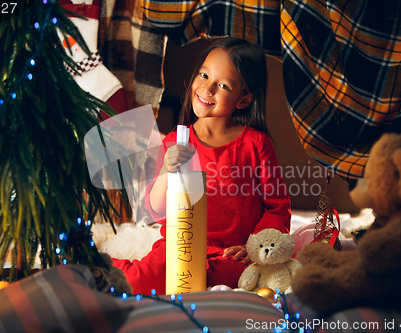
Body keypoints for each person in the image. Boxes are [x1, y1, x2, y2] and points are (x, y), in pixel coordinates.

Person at [112, 37, 291, 295]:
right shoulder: (176, 141)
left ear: (243, 99)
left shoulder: (256, 144)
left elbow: (277, 207)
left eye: (223, 85)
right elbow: (156, 207)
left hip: (230, 254)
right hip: (179, 246)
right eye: (204, 75)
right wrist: (166, 172)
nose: (207, 88)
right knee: (136, 282)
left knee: (235, 280)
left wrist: (254, 246)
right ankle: (105, 265)